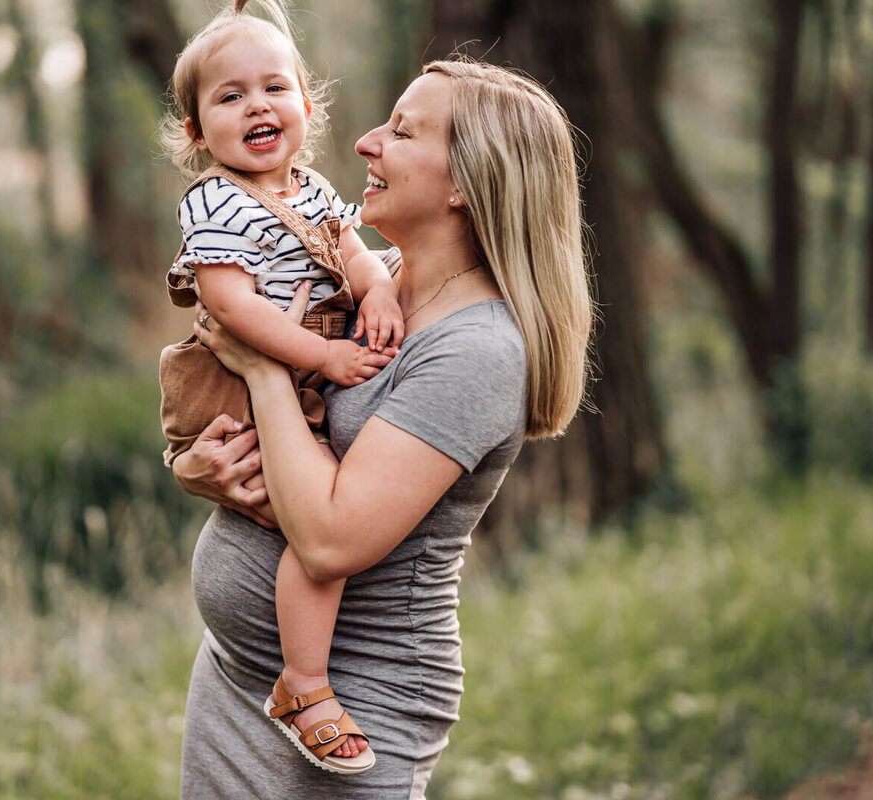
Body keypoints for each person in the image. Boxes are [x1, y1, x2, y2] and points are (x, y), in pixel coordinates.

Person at [173, 55, 594, 799]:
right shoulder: (372, 284)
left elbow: (333, 537)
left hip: (350, 710)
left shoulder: (480, 350)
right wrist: (194, 468)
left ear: (467, 182)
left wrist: (266, 369)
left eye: (401, 132)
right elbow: (244, 404)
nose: (365, 142)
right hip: (234, 684)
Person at [158, 0, 405, 775]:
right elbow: (229, 308)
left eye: (274, 88)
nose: (256, 105)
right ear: (197, 133)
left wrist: (378, 290)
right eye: (229, 97)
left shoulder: (314, 189)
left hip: (295, 366)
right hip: (236, 377)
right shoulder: (214, 201)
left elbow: (354, 252)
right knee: (311, 525)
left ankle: (304, 678)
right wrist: (321, 358)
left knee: (316, 521)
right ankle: (303, 683)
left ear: (305, 104)